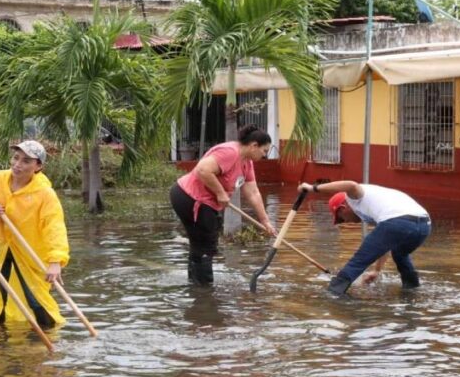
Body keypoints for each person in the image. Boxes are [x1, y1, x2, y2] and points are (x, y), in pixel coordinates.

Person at [0, 140, 69, 329]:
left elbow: (54, 227)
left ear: (38, 166)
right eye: (16, 158)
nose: (17, 164)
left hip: (28, 251)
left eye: (26, 161)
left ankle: (46, 342)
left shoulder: (44, 194)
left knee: (35, 297)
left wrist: (55, 260)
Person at [170, 125, 276, 285]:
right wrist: (220, 193)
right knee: (206, 244)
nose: (265, 155)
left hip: (203, 202)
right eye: (264, 151)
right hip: (189, 197)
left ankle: (197, 287)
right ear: (254, 145)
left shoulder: (247, 163)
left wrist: (265, 221)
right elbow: (202, 170)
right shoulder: (230, 152)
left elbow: (253, 193)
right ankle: (204, 292)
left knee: (201, 243)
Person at [298, 180, 430, 296]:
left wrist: (312, 188)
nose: (346, 222)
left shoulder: (353, 198)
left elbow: (351, 185)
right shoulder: (379, 204)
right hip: (424, 226)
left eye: (341, 219)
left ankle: (332, 295)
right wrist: (377, 271)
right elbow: (385, 243)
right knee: (400, 254)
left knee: (357, 262)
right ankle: (412, 290)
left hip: (398, 222)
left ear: (342, 208)